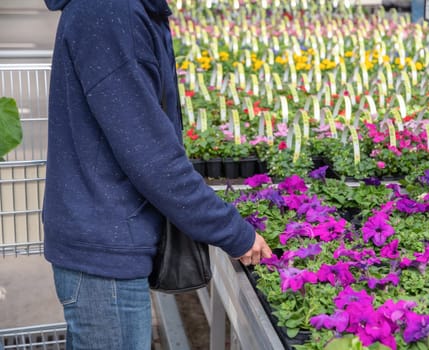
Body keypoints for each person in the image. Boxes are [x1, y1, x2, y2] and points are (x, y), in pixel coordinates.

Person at [42, 0, 272, 349]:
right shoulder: (109, 11)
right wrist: (233, 232)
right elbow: (152, 158)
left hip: (105, 239)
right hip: (104, 253)